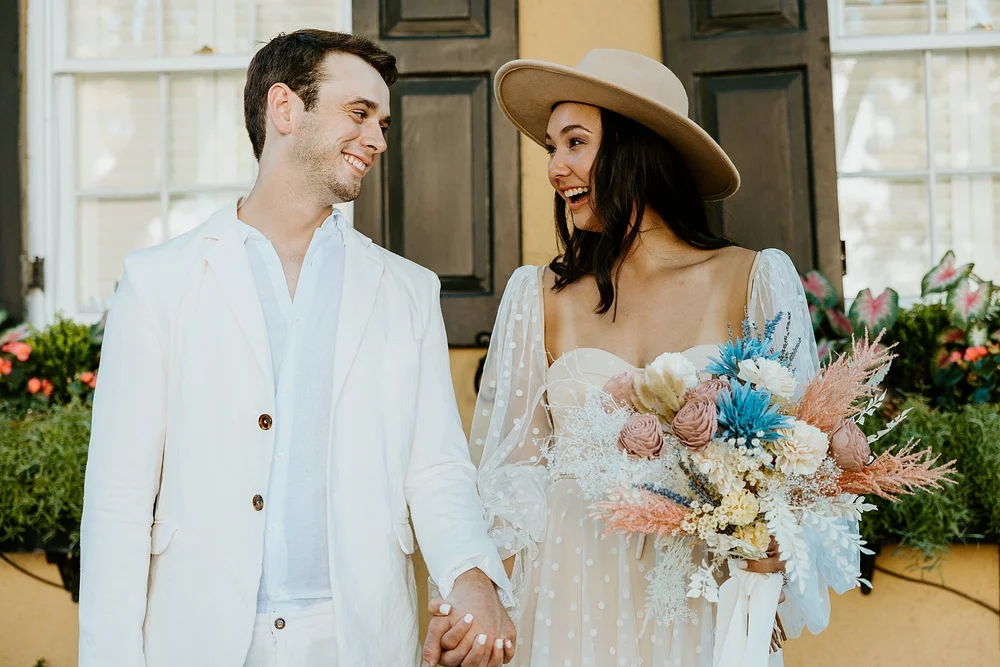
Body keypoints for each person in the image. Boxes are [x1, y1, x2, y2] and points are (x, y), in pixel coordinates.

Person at [77, 29, 515, 667]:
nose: (378, 139)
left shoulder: (408, 291)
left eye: (383, 122)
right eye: (359, 114)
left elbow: (437, 467)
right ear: (284, 110)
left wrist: (473, 574)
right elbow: (118, 501)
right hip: (199, 641)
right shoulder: (157, 284)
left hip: (359, 640)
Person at [461, 49, 856, 666]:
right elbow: (511, 479)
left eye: (574, 142)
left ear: (635, 148)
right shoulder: (536, 296)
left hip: (701, 600)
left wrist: (768, 553)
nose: (555, 168)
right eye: (551, 148)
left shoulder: (753, 281)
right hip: (567, 595)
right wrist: (489, 607)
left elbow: (804, 463)